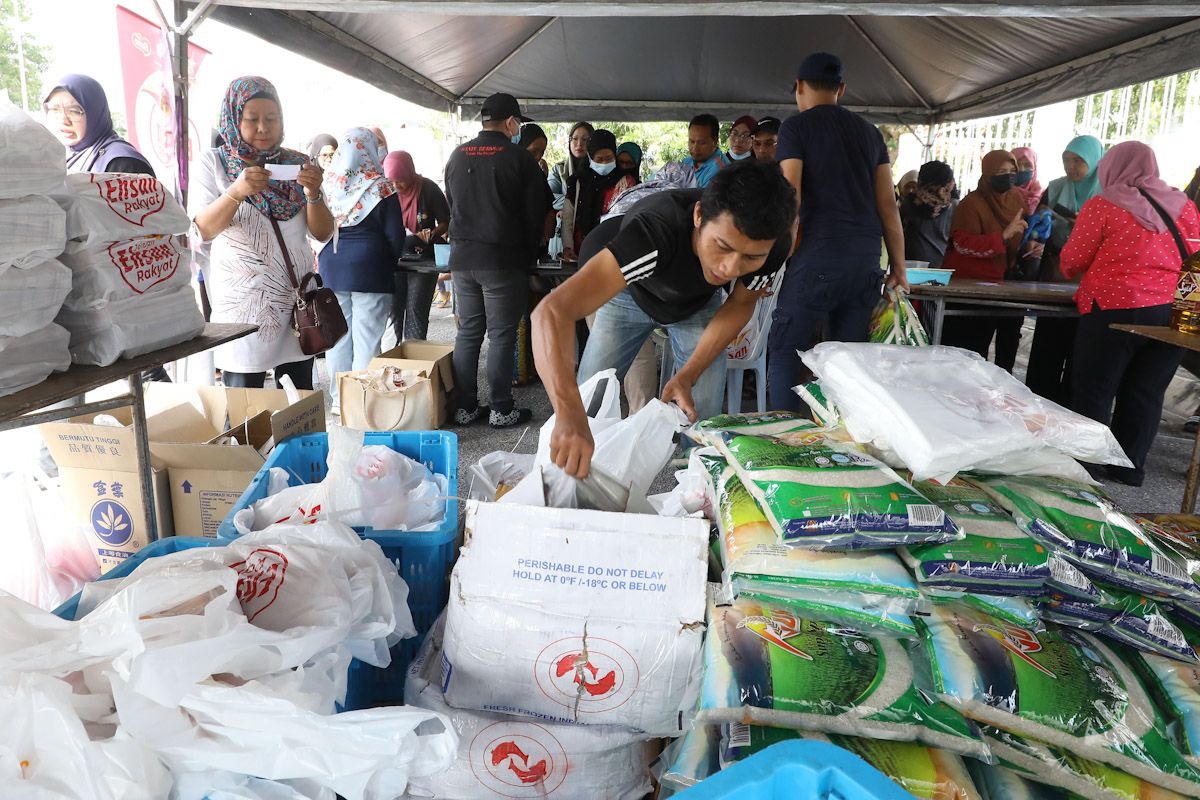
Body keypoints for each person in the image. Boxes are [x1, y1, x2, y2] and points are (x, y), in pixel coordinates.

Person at [532, 161, 797, 478]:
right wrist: (568, 414)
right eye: (722, 247)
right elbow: (551, 312)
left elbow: (740, 304)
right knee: (589, 396)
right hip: (627, 291)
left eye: (750, 258)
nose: (729, 268)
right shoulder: (655, 230)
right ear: (699, 216)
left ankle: (696, 491)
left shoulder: (773, 245)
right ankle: (570, 477)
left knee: (704, 405)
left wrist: (688, 374)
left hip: (695, 301)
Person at [767, 51, 908, 411]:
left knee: (786, 353)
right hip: (864, 261)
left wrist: (777, 257)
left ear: (798, 86)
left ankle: (784, 445)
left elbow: (791, 197)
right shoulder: (870, 134)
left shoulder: (796, 128)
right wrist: (899, 268)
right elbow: (888, 204)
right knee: (846, 366)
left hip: (816, 257)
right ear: (841, 89)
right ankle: (840, 449)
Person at [1062, 141, 1199, 486]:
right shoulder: (1183, 206)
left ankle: (1087, 469)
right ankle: (1129, 467)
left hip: (1115, 308)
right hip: (1173, 312)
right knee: (1147, 392)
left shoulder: (1103, 205)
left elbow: (1073, 260)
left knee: (1096, 389)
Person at [191, 76, 333, 390]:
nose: (263, 128)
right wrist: (236, 191)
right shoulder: (214, 163)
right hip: (243, 311)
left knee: (297, 406)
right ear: (233, 119)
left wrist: (313, 192)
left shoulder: (300, 165)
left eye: (272, 119)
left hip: (297, 307)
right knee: (245, 409)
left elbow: (322, 233)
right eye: (252, 119)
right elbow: (202, 229)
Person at [443, 92, 546, 428]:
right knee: (501, 334)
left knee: (469, 333)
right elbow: (535, 213)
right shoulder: (519, 158)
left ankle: (465, 407)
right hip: (502, 259)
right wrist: (531, 254)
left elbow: (452, 205)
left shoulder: (457, 156)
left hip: (462, 258)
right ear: (511, 121)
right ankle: (501, 408)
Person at [317, 128, 408, 405]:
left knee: (338, 338)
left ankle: (339, 402)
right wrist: (388, 262)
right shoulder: (381, 186)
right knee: (368, 338)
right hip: (371, 268)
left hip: (332, 267)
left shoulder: (326, 185)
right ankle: (364, 404)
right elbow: (396, 235)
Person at [1025, 135, 1105, 405]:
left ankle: (1071, 403)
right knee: (1049, 336)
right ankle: (1039, 398)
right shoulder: (1056, 187)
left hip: (1090, 275)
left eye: (1078, 161)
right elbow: (1039, 224)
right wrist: (1038, 235)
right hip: (1055, 269)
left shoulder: (1106, 193)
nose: (1071, 167)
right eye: (1066, 160)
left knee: (1080, 340)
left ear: (1094, 162)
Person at [939, 150, 1031, 372]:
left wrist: (1029, 246)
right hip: (970, 289)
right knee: (968, 352)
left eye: (1012, 171)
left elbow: (1022, 233)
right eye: (1001, 172)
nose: (1008, 176)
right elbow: (962, 244)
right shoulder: (972, 204)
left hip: (1006, 285)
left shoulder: (1018, 199)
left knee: (1007, 349)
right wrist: (1002, 237)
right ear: (988, 173)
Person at [383, 150, 450, 341]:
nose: (396, 185)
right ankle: (393, 359)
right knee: (393, 311)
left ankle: (414, 361)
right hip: (394, 258)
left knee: (416, 311)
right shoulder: (386, 192)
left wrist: (430, 234)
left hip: (423, 259)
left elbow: (445, 221)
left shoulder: (428, 188)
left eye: (400, 180)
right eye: (392, 181)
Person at [43, 74, 154, 175]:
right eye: (55, 109)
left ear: (95, 113)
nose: (64, 120)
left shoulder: (122, 164)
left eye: (74, 111)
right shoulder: (63, 158)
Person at [562, 129, 639, 260]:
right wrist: (567, 247)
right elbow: (568, 218)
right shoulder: (577, 182)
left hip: (612, 253)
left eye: (609, 158)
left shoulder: (625, 182)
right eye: (599, 159)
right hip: (579, 252)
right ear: (591, 157)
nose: (604, 163)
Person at [900, 160, 957, 267]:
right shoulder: (955, 206)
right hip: (943, 268)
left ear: (921, 180)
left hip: (911, 267)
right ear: (949, 183)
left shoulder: (911, 202)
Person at [549, 121, 594, 211]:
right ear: (569, 141)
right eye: (575, 138)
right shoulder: (558, 169)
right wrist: (577, 202)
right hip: (563, 222)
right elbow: (549, 197)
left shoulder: (597, 169)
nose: (579, 144)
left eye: (584, 139)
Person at [682, 114, 730, 188]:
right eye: (692, 141)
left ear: (715, 142)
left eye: (702, 143)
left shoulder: (721, 170)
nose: (695, 148)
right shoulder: (686, 162)